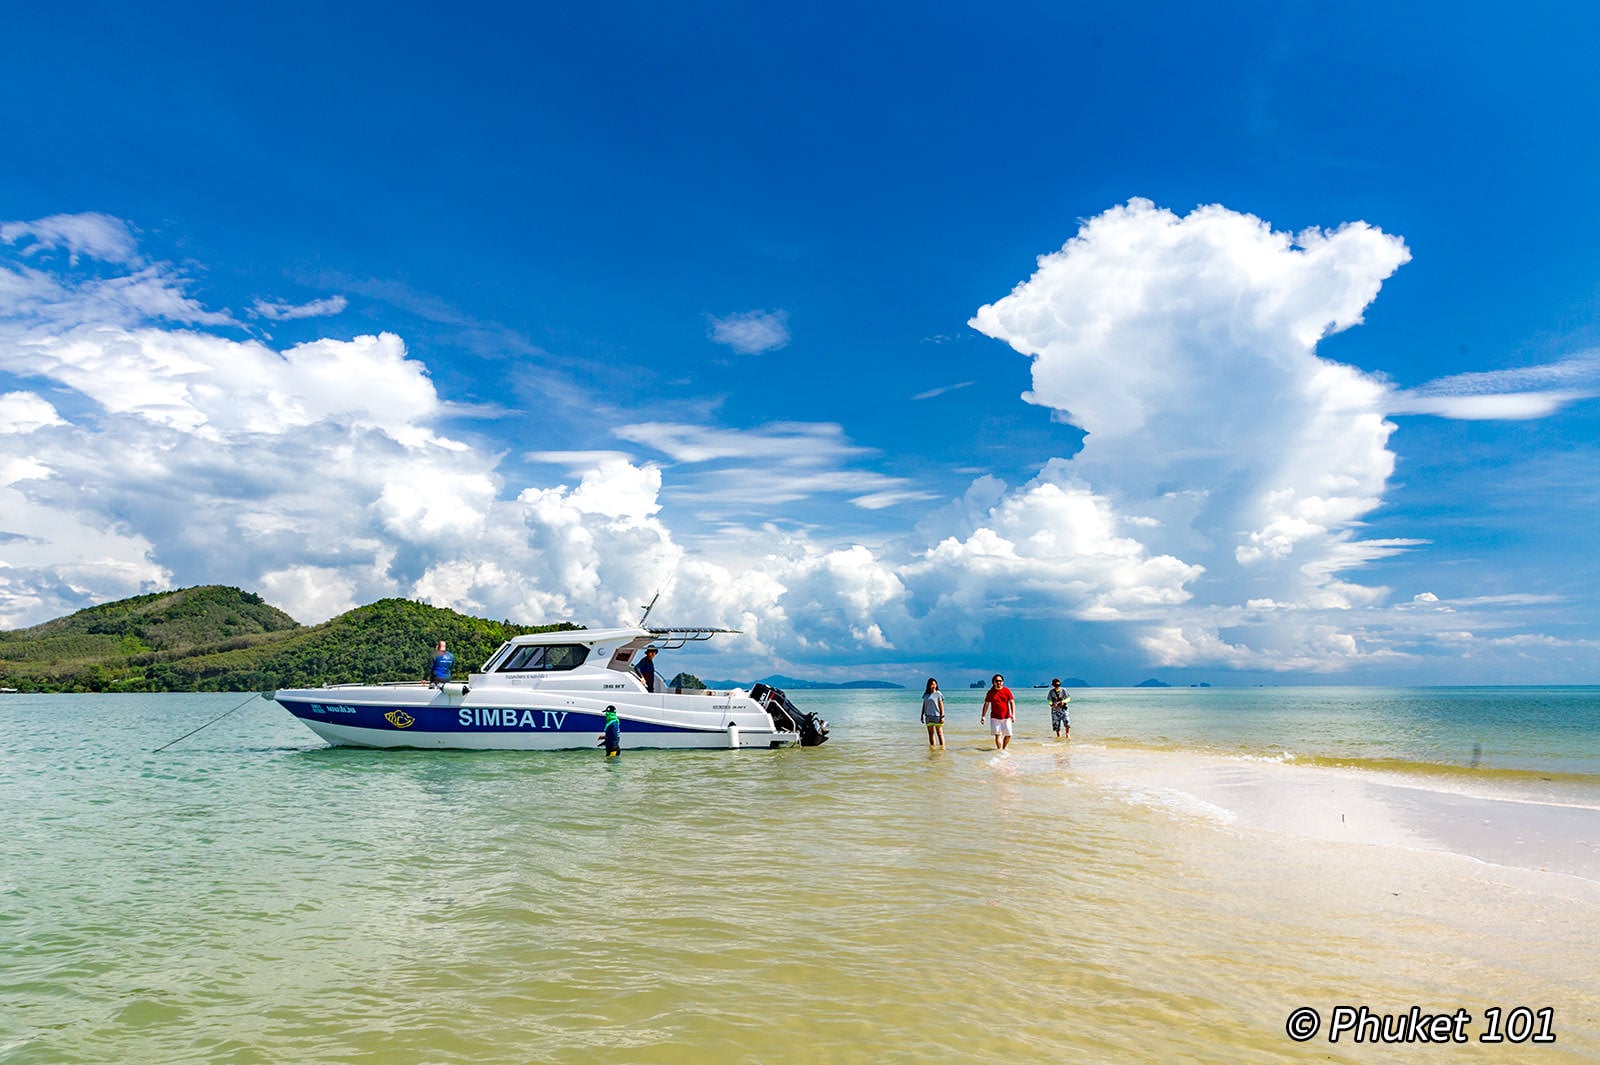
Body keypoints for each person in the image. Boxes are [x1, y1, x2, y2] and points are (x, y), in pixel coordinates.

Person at [980, 673, 1016, 750]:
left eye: (1000, 681)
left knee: (1009, 735)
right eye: (997, 681)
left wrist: (1013, 714)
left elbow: (1012, 702)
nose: (999, 682)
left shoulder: (1007, 691)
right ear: (993, 682)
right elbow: (986, 704)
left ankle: (1004, 748)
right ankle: (999, 751)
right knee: (998, 734)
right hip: (995, 717)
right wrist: (983, 716)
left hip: (1006, 717)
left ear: (1002, 682)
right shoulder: (990, 692)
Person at [920, 678, 946, 749]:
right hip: (928, 717)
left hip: (937, 716)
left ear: (936, 685)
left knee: (940, 733)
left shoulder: (938, 694)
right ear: (929, 685)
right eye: (932, 684)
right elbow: (924, 705)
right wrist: (921, 715)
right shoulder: (926, 694)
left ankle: (942, 749)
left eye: (934, 684)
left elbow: (941, 706)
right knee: (931, 734)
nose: (933, 686)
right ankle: (932, 749)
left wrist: (942, 716)